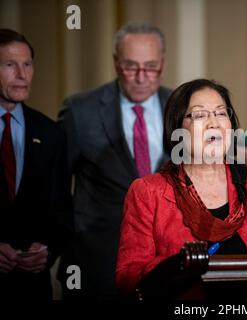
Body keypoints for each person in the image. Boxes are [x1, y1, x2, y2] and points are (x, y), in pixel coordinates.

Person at [115, 79, 247, 297]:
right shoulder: (148, 191)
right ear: (177, 127)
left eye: (221, 113)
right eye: (200, 115)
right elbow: (128, 278)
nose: (214, 123)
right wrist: (179, 265)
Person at [58, 22, 171, 299]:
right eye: (131, 67)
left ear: (163, 63)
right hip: (96, 262)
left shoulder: (180, 106)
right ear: (115, 62)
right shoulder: (80, 110)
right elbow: (54, 187)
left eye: (151, 67)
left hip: (166, 265)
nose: (141, 77)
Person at [0, 29, 71, 300]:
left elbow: (62, 212)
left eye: (27, 64)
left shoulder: (51, 133)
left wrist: (47, 251)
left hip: (31, 287)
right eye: (10, 65)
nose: (22, 74)